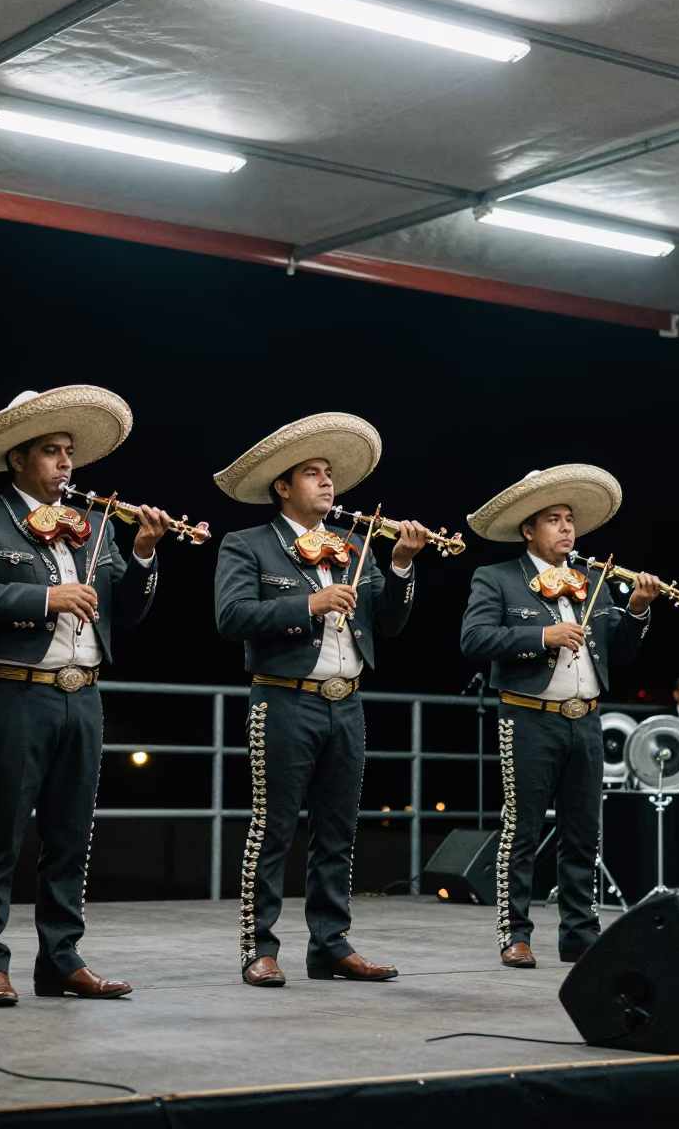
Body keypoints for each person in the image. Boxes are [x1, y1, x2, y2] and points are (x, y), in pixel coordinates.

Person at [0, 387, 171, 1006]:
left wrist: (144, 554)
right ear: (18, 458)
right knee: (3, 831)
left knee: (72, 834)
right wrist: (47, 599)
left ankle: (61, 959)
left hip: (84, 696)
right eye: (51, 451)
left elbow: (129, 609)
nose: (66, 463)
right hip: (15, 692)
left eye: (69, 452)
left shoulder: (93, 527)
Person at [213, 413, 426, 986]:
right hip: (283, 700)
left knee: (339, 830)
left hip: (347, 701)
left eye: (329, 473)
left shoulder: (353, 545)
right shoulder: (248, 543)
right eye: (312, 473)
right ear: (282, 487)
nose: (327, 482)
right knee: (274, 826)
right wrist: (309, 605)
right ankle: (259, 947)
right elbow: (231, 618)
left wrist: (401, 566)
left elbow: (390, 622)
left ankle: (330, 944)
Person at [461, 465, 660, 969]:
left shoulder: (590, 580)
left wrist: (636, 609)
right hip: (528, 718)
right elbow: (474, 640)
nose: (567, 528)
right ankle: (515, 934)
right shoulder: (499, 577)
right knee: (521, 830)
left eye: (570, 519)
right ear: (529, 529)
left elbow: (620, 653)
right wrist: (541, 637)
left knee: (582, 833)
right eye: (554, 519)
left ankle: (580, 933)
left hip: (586, 719)